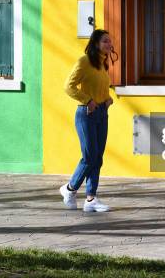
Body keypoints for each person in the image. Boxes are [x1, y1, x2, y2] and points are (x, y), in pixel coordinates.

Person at [60, 29, 114, 212]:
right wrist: (88, 100)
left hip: (101, 114)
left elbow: (100, 87)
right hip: (86, 114)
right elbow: (68, 86)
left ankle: (91, 199)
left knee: (97, 157)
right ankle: (69, 188)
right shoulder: (84, 61)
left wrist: (107, 99)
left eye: (110, 41)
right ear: (96, 43)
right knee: (90, 156)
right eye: (105, 41)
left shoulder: (103, 64)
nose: (109, 44)